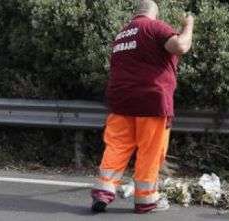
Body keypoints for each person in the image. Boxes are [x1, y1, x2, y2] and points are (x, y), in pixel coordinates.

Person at [91, 0, 194, 214]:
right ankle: (146, 200)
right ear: (153, 13)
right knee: (150, 151)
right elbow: (181, 46)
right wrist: (188, 25)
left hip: (121, 101)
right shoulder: (154, 27)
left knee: (117, 146)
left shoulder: (122, 34)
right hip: (151, 101)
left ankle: (103, 191)